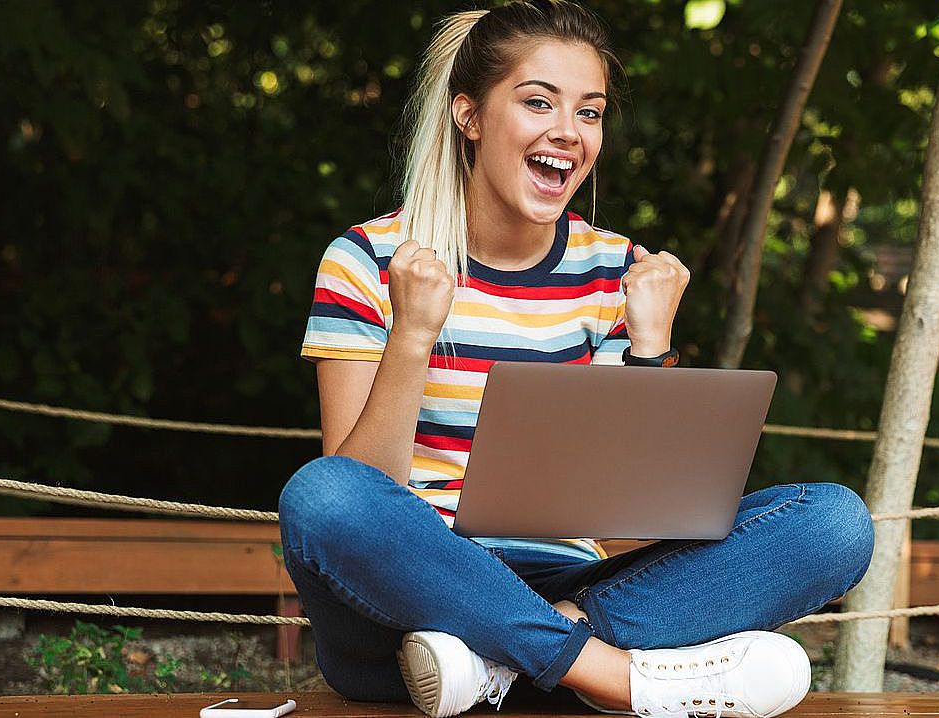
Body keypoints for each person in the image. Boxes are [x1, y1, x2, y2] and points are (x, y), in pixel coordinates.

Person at [278, 2, 875, 717]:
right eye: (538, 102)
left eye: (589, 112)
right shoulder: (368, 259)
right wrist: (412, 336)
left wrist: (652, 354)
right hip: (410, 606)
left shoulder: (614, 271)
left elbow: (637, 531)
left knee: (835, 523)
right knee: (322, 496)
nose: (568, 131)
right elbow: (361, 489)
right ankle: (613, 678)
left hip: (569, 589)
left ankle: (511, 663)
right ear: (469, 116)